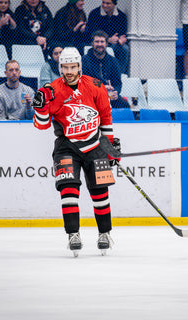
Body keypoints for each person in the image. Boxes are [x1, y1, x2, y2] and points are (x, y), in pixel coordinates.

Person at [32, 47, 120, 257]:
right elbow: (41, 126)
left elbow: (106, 118)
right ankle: (73, 234)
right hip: (66, 146)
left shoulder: (95, 86)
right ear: (60, 67)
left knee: (100, 192)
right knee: (68, 190)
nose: (69, 71)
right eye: (65, 67)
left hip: (95, 146)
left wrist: (109, 147)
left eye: (73, 67)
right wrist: (41, 107)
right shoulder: (52, 90)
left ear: (80, 66)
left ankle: (104, 233)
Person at [82, 30, 130, 109]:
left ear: (106, 44)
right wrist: (102, 88)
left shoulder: (113, 61)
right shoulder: (84, 60)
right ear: (92, 44)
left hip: (109, 95)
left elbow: (118, 83)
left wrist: (115, 92)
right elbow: (84, 82)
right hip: (91, 96)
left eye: (102, 42)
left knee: (125, 106)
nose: (99, 44)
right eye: (97, 41)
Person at [86, 0, 129, 74]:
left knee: (125, 48)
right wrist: (108, 39)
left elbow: (123, 32)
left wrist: (120, 39)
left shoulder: (121, 16)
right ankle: (104, 74)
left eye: (108, 3)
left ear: (114, 4)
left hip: (115, 42)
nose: (104, 5)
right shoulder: (94, 13)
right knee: (108, 48)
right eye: (103, 2)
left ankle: (120, 74)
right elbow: (90, 33)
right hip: (98, 41)